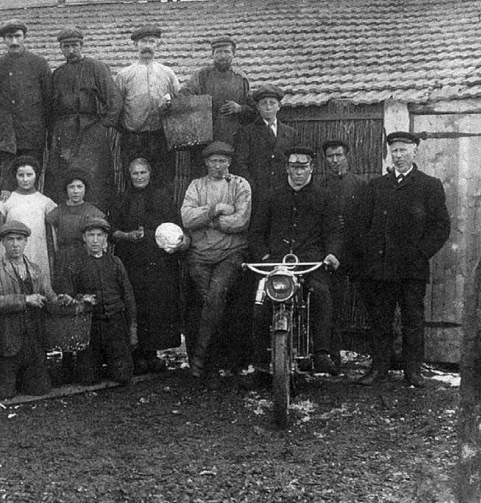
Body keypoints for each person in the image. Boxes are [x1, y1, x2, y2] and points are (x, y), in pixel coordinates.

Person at [352, 132, 450, 387]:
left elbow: (441, 227)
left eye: (403, 151)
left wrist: (420, 253)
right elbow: (362, 225)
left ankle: (413, 371)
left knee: (413, 321)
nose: (398, 156)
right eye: (394, 151)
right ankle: (379, 369)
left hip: (411, 268)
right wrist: (371, 254)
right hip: (381, 268)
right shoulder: (376, 186)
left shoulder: (429, 185)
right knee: (380, 320)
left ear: (415, 152)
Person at [248, 147, 343, 375]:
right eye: (293, 166)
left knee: (321, 294)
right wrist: (264, 257)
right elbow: (256, 233)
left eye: (303, 167)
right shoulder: (271, 196)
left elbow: (334, 232)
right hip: (275, 264)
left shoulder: (325, 197)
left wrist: (331, 254)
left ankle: (321, 353)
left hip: (310, 263)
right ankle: (259, 365)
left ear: (312, 168)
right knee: (259, 305)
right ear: (286, 168)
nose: (298, 172)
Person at [180, 142, 252, 384]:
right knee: (207, 303)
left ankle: (200, 360)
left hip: (230, 253)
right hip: (199, 255)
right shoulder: (196, 186)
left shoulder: (240, 185)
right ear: (206, 162)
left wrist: (208, 222)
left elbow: (241, 221)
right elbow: (187, 218)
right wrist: (214, 211)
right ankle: (211, 367)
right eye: (213, 161)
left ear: (229, 162)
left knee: (215, 295)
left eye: (222, 161)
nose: (218, 165)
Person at [110, 158, 186, 374]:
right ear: (129, 175)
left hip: (158, 262)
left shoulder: (162, 197)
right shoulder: (122, 200)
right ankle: (135, 355)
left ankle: (151, 355)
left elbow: (174, 227)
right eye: (135, 173)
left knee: (155, 307)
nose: (139, 177)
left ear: (150, 174)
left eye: (143, 172)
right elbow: (112, 232)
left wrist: (160, 237)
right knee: (134, 303)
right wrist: (128, 235)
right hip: (131, 261)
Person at [0, 221, 64, 399]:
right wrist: (25, 300)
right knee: (4, 394)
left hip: (33, 339)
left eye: (19, 239)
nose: (15, 244)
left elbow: (50, 296)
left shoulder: (36, 270)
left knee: (40, 389)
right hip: (8, 340)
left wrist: (63, 300)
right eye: (10, 239)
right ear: (3, 242)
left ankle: (25, 376)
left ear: (26, 242)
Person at [48, 28, 123, 211]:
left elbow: (115, 101)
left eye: (75, 45)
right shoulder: (58, 74)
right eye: (66, 46)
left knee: (94, 181)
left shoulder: (97, 68)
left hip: (92, 134)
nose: (71, 50)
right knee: (65, 181)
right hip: (65, 135)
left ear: (82, 45)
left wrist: (103, 127)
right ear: (61, 48)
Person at [61, 217, 137, 386]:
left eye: (99, 235)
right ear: (84, 238)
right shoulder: (76, 265)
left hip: (115, 326)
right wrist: (80, 299)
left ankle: (113, 362)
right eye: (90, 235)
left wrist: (132, 329)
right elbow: (67, 297)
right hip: (90, 327)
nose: (95, 240)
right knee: (88, 379)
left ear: (105, 238)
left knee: (123, 376)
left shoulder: (115, 263)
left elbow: (128, 296)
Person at [318, 140, 367, 366]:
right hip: (331, 255)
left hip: (356, 253)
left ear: (347, 156)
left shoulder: (360, 184)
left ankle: (380, 358)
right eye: (330, 156)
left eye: (339, 155)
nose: (335, 160)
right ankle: (333, 357)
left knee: (369, 301)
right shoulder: (319, 186)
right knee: (331, 305)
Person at [0, 20, 53, 192]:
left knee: (31, 183)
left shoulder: (39, 64)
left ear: (24, 38)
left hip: (32, 136)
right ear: (4, 40)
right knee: (7, 185)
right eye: (9, 37)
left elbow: (49, 101)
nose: (14, 42)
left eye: (18, 36)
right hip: (6, 137)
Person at [115, 25, 182, 188]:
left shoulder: (167, 73)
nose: (147, 45)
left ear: (158, 45)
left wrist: (169, 100)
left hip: (160, 137)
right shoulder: (125, 74)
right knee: (133, 181)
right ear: (135, 45)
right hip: (133, 138)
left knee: (162, 181)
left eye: (151, 41)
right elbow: (116, 106)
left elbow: (180, 100)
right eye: (143, 41)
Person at [178, 34, 255, 147]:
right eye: (219, 52)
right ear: (212, 54)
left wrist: (239, 108)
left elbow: (253, 109)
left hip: (233, 136)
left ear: (234, 54)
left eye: (226, 51)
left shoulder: (241, 79)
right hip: (204, 136)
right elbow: (185, 94)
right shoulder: (202, 76)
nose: (223, 55)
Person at [234, 84, 298, 212]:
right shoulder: (247, 132)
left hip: (284, 191)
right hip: (257, 193)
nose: (268, 107)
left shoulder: (290, 133)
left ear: (279, 106)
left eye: (272, 103)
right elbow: (241, 164)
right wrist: (252, 188)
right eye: (264, 103)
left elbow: (295, 162)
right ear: (258, 107)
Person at [0, 155, 57, 279]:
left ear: (36, 175)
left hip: (37, 250)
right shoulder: (7, 200)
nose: (25, 179)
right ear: (15, 177)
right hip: (12, 249)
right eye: (21, 175)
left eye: (29, 175)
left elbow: (51, 236)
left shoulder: (45, 202)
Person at [45, 168, 105, 291]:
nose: (75, 191)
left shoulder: (92, 212)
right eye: (71, 187)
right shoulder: (58, 212)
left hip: (85, 255)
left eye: (79, 187)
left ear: (85, 188)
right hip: (63, 258)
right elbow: (51, 239)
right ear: (66, 189)